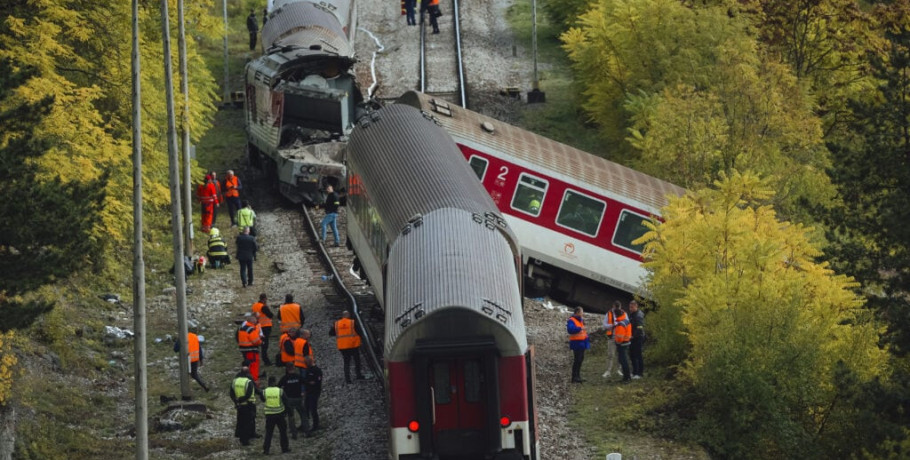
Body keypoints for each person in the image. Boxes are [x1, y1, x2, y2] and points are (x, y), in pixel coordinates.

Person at [230, 365, 263, 446]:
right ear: (248, 373)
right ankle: (245, 440)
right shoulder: (248, 381)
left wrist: (236, 401)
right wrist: (262, 393)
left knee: (241, 421)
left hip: (239, 406)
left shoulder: (235, 381)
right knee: (248, 421)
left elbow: (231, 393)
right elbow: (249, 394)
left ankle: (251, 434)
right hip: (249, 404)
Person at [330, 311, 365, 383]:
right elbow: (359, 332)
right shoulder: (352, 322)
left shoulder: (336, 324)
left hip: (343, 346)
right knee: (357, 360)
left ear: (342, 316)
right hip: (353, 345)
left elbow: (331, 333)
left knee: (346, 362)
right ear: (348, 315)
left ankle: (347, 379)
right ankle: (358, 375)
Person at [262, 376, 290, 455]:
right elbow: (286, 402)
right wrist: (288, 412)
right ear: (275, 382)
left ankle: (266, 450)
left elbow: (263, 399)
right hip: (280, 414)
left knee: (269, 433)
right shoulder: (280, 391)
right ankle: (284, 448)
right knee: (283, 432)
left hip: (269, 415)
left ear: (268, 382)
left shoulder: (265, 391)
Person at [278, 363, 307, 438]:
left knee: (291, 416)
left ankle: (294, 434)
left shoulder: (285, 378)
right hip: (298, 398)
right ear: (293, 368)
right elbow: (306, 383)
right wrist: (303, 392)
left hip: (289, 399)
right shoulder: (298, 376)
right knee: (303, 414)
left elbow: (278, 387)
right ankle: (306, 431)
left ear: (287, 369)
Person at [237, 314, 263, 387]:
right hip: (251, 350)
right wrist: (261, 342)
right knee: (254, 365)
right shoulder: (251, 329)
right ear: (253, 321)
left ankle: (246, 380)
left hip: (243, 350)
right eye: (255, 320)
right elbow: (256, 341)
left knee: (247, 365)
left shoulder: (242, 328)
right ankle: (255, 382)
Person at [566, 306, 589, 383]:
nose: (583, 313)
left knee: (580, 360)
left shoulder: (580, 320)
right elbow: (570, 330)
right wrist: (580, 329)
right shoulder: (572, 320)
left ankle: (578, 376)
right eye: (582, 312)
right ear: (577, 312)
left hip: (582, 343)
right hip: (576, 343)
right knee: (577, 360)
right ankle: (574, 377)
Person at [610, 302, 632, 382]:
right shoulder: (626, 320)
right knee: (624, 360)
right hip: (627, 342)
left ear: (616, 315)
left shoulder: (620, 324)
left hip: (622, 344)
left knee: (623, 361)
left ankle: (626, 377)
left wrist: (617, 342)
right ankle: (627, 376)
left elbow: (619, 338)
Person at [252, 294, 275, 366]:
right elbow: (271, 315)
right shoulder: (263, 307)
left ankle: (257, 358)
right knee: (265, 344)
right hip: (265, 327)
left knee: (259, 343)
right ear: (264, 299)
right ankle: (266, 360)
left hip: (257, 326)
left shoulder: (255, 305)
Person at [302, 355, 323, 434]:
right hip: (308, 392)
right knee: (306, 408)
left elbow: (317, 382)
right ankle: (306, 424)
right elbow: (307, 381)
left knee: (313, 409)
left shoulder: (317, 370)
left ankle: (315, 425)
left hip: (314, 392)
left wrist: (311, 383)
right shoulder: (308, 370)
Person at [601, 301, 619, 378]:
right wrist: (612, 325)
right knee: (610, 354)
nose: (617, 309)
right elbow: (604, 325)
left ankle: (619, 370)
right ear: (613, 306)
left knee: (620, 355)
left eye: (618, 308)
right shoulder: (608, 314)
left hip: (620, 337)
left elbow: (627, 323)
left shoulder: (623, 313)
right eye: (616, 307)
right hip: (611, 337)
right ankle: (608, 371)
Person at [628, 300, 645, 379]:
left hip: (638, 338)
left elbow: (639, 328)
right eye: (630, 307)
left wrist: (633, 336)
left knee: (638, 355)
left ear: (636, 306)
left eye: (632, 307)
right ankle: (634, 371)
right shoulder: (632, 314)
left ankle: (639, 373)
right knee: (632, 355)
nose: (630, 309)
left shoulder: (638, 316)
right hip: (632, 338)